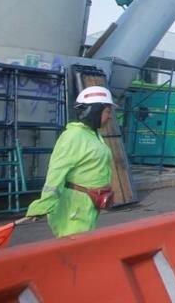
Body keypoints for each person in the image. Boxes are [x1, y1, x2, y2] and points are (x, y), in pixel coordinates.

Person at [25, 86, 115, 238]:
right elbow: (56, 173)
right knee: (74, 251)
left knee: (82, 249)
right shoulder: (73, 137)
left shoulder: (93, 136)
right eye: (107, 111)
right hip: (74, 208)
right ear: (94, 111)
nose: (110, 117)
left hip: (87, 206)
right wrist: (44, 204)